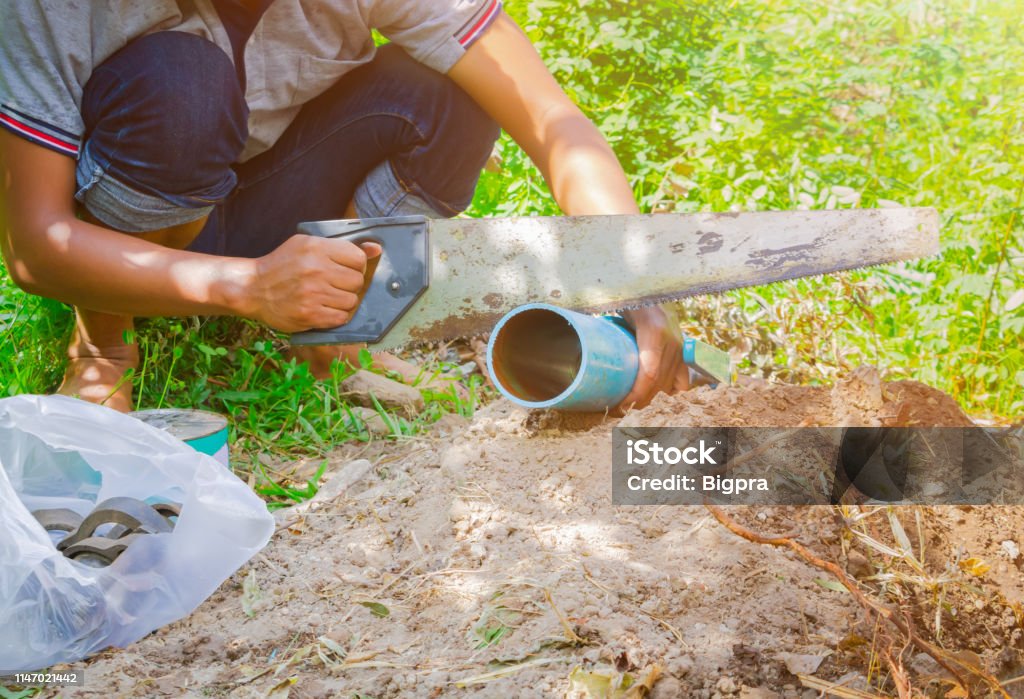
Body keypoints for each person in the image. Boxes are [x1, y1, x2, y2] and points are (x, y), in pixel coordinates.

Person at [0, 0, 689, 414]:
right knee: (182, 90)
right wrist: (247, 288)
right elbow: (34, 244)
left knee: (450, 97)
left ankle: (338, 328)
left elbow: (553, 121)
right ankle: (106, 348)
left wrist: (635, 278)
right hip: (125, 230)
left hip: (266, 196)